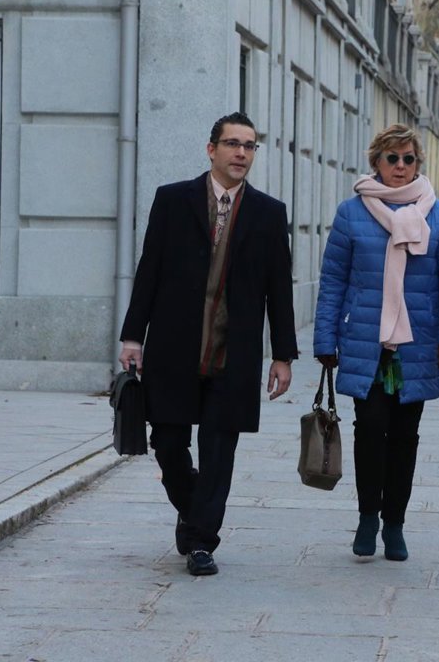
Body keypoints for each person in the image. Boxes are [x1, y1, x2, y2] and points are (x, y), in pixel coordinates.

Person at [118, 111, 297, 577]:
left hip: (232, 353)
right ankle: (193, 507)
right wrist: (133, 336)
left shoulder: (268, 213)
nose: (241, 153)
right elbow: (149, 271)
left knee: (220, 450)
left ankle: (201, 541)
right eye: (233, 143)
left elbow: (279, 288)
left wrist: (282, 355)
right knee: (168, 443)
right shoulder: (172, 200)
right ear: (211, 149)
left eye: (250, 146)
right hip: (174, 348)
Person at [314, 123, 439, 562]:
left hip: (416, 347)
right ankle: (368, 516)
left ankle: (395, 524)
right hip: (366, 342)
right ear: (376, 163)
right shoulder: (352, 213)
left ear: (418, 164)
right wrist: (325, 337)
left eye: (409, 159)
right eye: (392, 158)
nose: (401, 167)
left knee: (405, 437)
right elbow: (333, 280)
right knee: (368, 432)